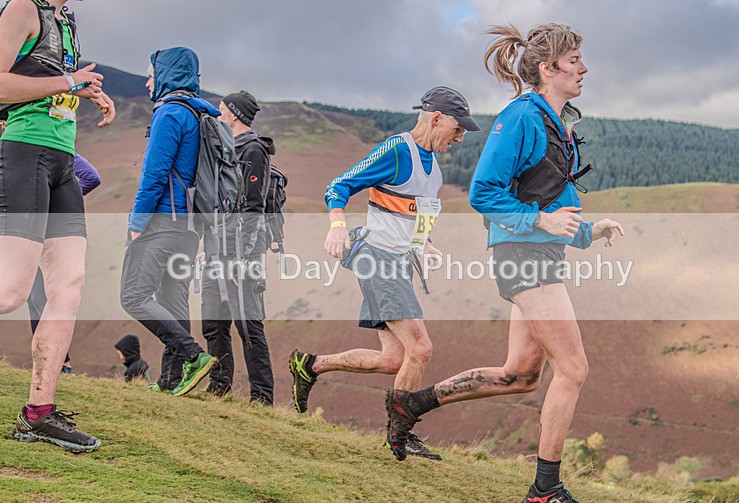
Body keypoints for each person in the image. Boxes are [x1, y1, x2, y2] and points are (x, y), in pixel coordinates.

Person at [384, 24, 624, 503]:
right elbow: (483, 193)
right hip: (521, 255)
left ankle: (412, 405)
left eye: (581, 59)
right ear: (547, 68)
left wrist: (587, 231)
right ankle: (544, 489)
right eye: (575, 60)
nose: (583, 68)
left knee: (520, 375)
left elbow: (551, 200)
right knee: (574, 369)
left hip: (540, 252)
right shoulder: (519, 118)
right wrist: (542, 221)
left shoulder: (558, 122)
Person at [290, 86, 481, 460]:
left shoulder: (435, 171)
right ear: (436, 117)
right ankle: (400, 432)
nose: (459, 139)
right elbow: (338, 185)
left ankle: (310, 365)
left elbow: (419, 219)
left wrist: (424, 246)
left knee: (393, 360)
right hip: (376, 259)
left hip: (398, 263)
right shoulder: (397, 150)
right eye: (458, 130)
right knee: (421, 349)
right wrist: (337, 226)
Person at [1, 0, 115, 453]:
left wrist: (80, 93)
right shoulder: (22, 8)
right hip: (23, 154)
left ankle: (38, 415)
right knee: (10, 292)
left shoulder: (64, 20)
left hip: (62, 162)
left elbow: (44, 87)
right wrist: (70, 81)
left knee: (69, 285)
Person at [119, 47, 217, 397]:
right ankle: (172, 380)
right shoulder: (199, 114)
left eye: (152, 75)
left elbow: (155, 173)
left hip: (161, 220)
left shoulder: (170, 113)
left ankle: (192, 356)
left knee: (133, 295)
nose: (148, 83)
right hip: (189, 230)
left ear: (165, 75)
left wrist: (137, 221)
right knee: (173, 300)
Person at [201, 90, 276, 405]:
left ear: (233, 113)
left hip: (242, 249)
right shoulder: (225, 147)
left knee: (248, 322)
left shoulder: (254, 150)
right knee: (213, 321)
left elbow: (253, 207)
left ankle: (262, 397)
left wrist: (241, 255)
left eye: (221, 109)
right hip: (218, 246)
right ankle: (219, 387)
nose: (218, 113)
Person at [27, 153, 102, 374]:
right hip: (50, 231)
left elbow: (91, 177)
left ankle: (56, 364)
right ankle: (57, 364)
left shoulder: (17, 147)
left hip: (31, 232)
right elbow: (91, 177)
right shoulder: (61, 147)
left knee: (39, 300)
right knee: (38, 300)